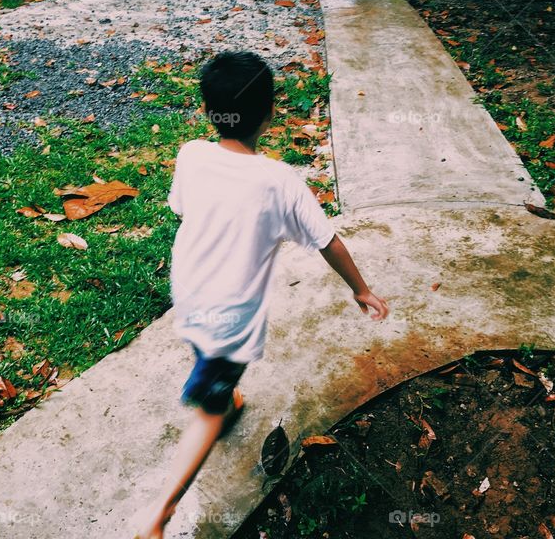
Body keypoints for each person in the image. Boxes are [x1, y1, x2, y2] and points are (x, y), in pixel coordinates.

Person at [133, 51, 389, 539]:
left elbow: (183, 209)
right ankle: (158, 513)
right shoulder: (280, 182)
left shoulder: (191, 155)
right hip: (228, 316)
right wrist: (362, 289)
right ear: (271, 113)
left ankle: (225, 399)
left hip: (188, 293)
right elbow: (327, 241)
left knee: (214, 371)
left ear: (209, 111)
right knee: (206, 413)